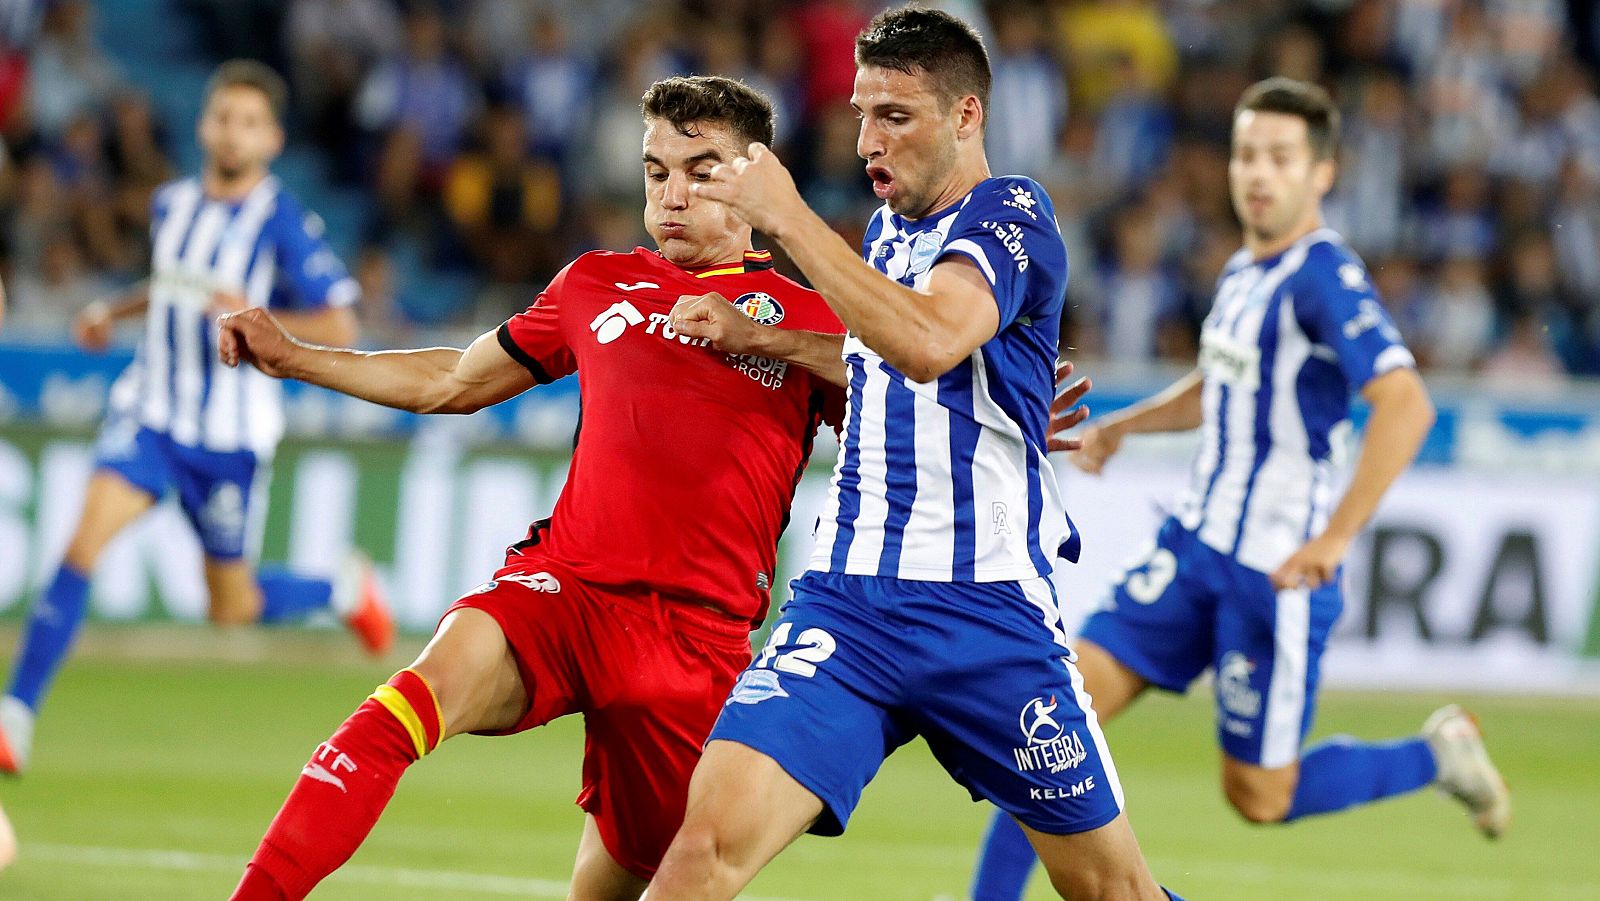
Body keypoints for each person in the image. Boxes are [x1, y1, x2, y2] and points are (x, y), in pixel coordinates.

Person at [221, 75, 846, 901]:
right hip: (567, 591)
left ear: (757, 174)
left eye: (703, 171)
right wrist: (295, 355)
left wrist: (771, 337)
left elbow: (897, 394)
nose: (674, 195)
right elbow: (452, 379)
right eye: (658, 171)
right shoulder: (595, 284)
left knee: (628, 882)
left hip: (696, 646)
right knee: (405, 704)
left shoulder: (813, 316)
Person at [648, 8, 1183, 900]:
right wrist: (766, 338)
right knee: (703, 847)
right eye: (860, 113)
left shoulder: (1012, 213)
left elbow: (932, 340)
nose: (866, 140)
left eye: (894, 115)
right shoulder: (890, 233)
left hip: (987, 619)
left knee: (1112, 892)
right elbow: (888, 364)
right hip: (847, 608)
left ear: (966, 116)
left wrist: (789, 220)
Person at [968, 77, 1512, 901]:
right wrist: (1123, 426)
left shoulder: (1324, 274)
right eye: (1248, 153)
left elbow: (1405, 402)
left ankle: (1436, 754)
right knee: (1045, 724)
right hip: (1193, 547)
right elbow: (1217, 386)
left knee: (1261, 794)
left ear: (1321, 174)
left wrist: (1333, 537)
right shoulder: (1244, 269)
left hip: (1272, 569)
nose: (1259, 173)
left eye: (1282, 158)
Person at [0, 60, 392, 778]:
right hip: (151, 411)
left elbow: (339, 318)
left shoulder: (280, 219)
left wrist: (262, 319)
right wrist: (108, 312)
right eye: (222, 117)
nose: (232, 133)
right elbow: (172, 283)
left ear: (271, 139)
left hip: (228, 438)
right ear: (204, 124)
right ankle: (16, 714)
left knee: (231, 607)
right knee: (83, 542)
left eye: (249, 122)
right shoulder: (172, 203)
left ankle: (339, 589)